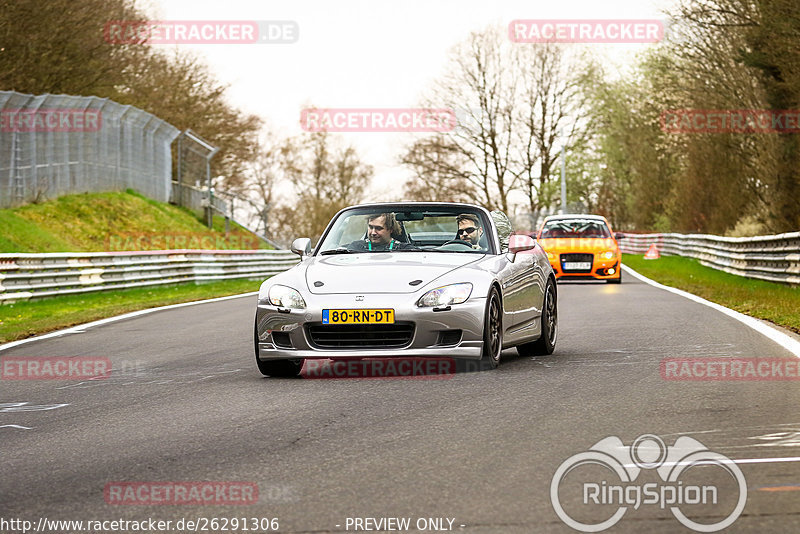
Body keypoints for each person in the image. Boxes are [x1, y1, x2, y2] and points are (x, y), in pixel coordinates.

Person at [347, 213, 413, 251]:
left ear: (391, 229)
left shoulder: (406, 250)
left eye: (378, 228)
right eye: (370, 227)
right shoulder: (356, 247)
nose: (373, 233)